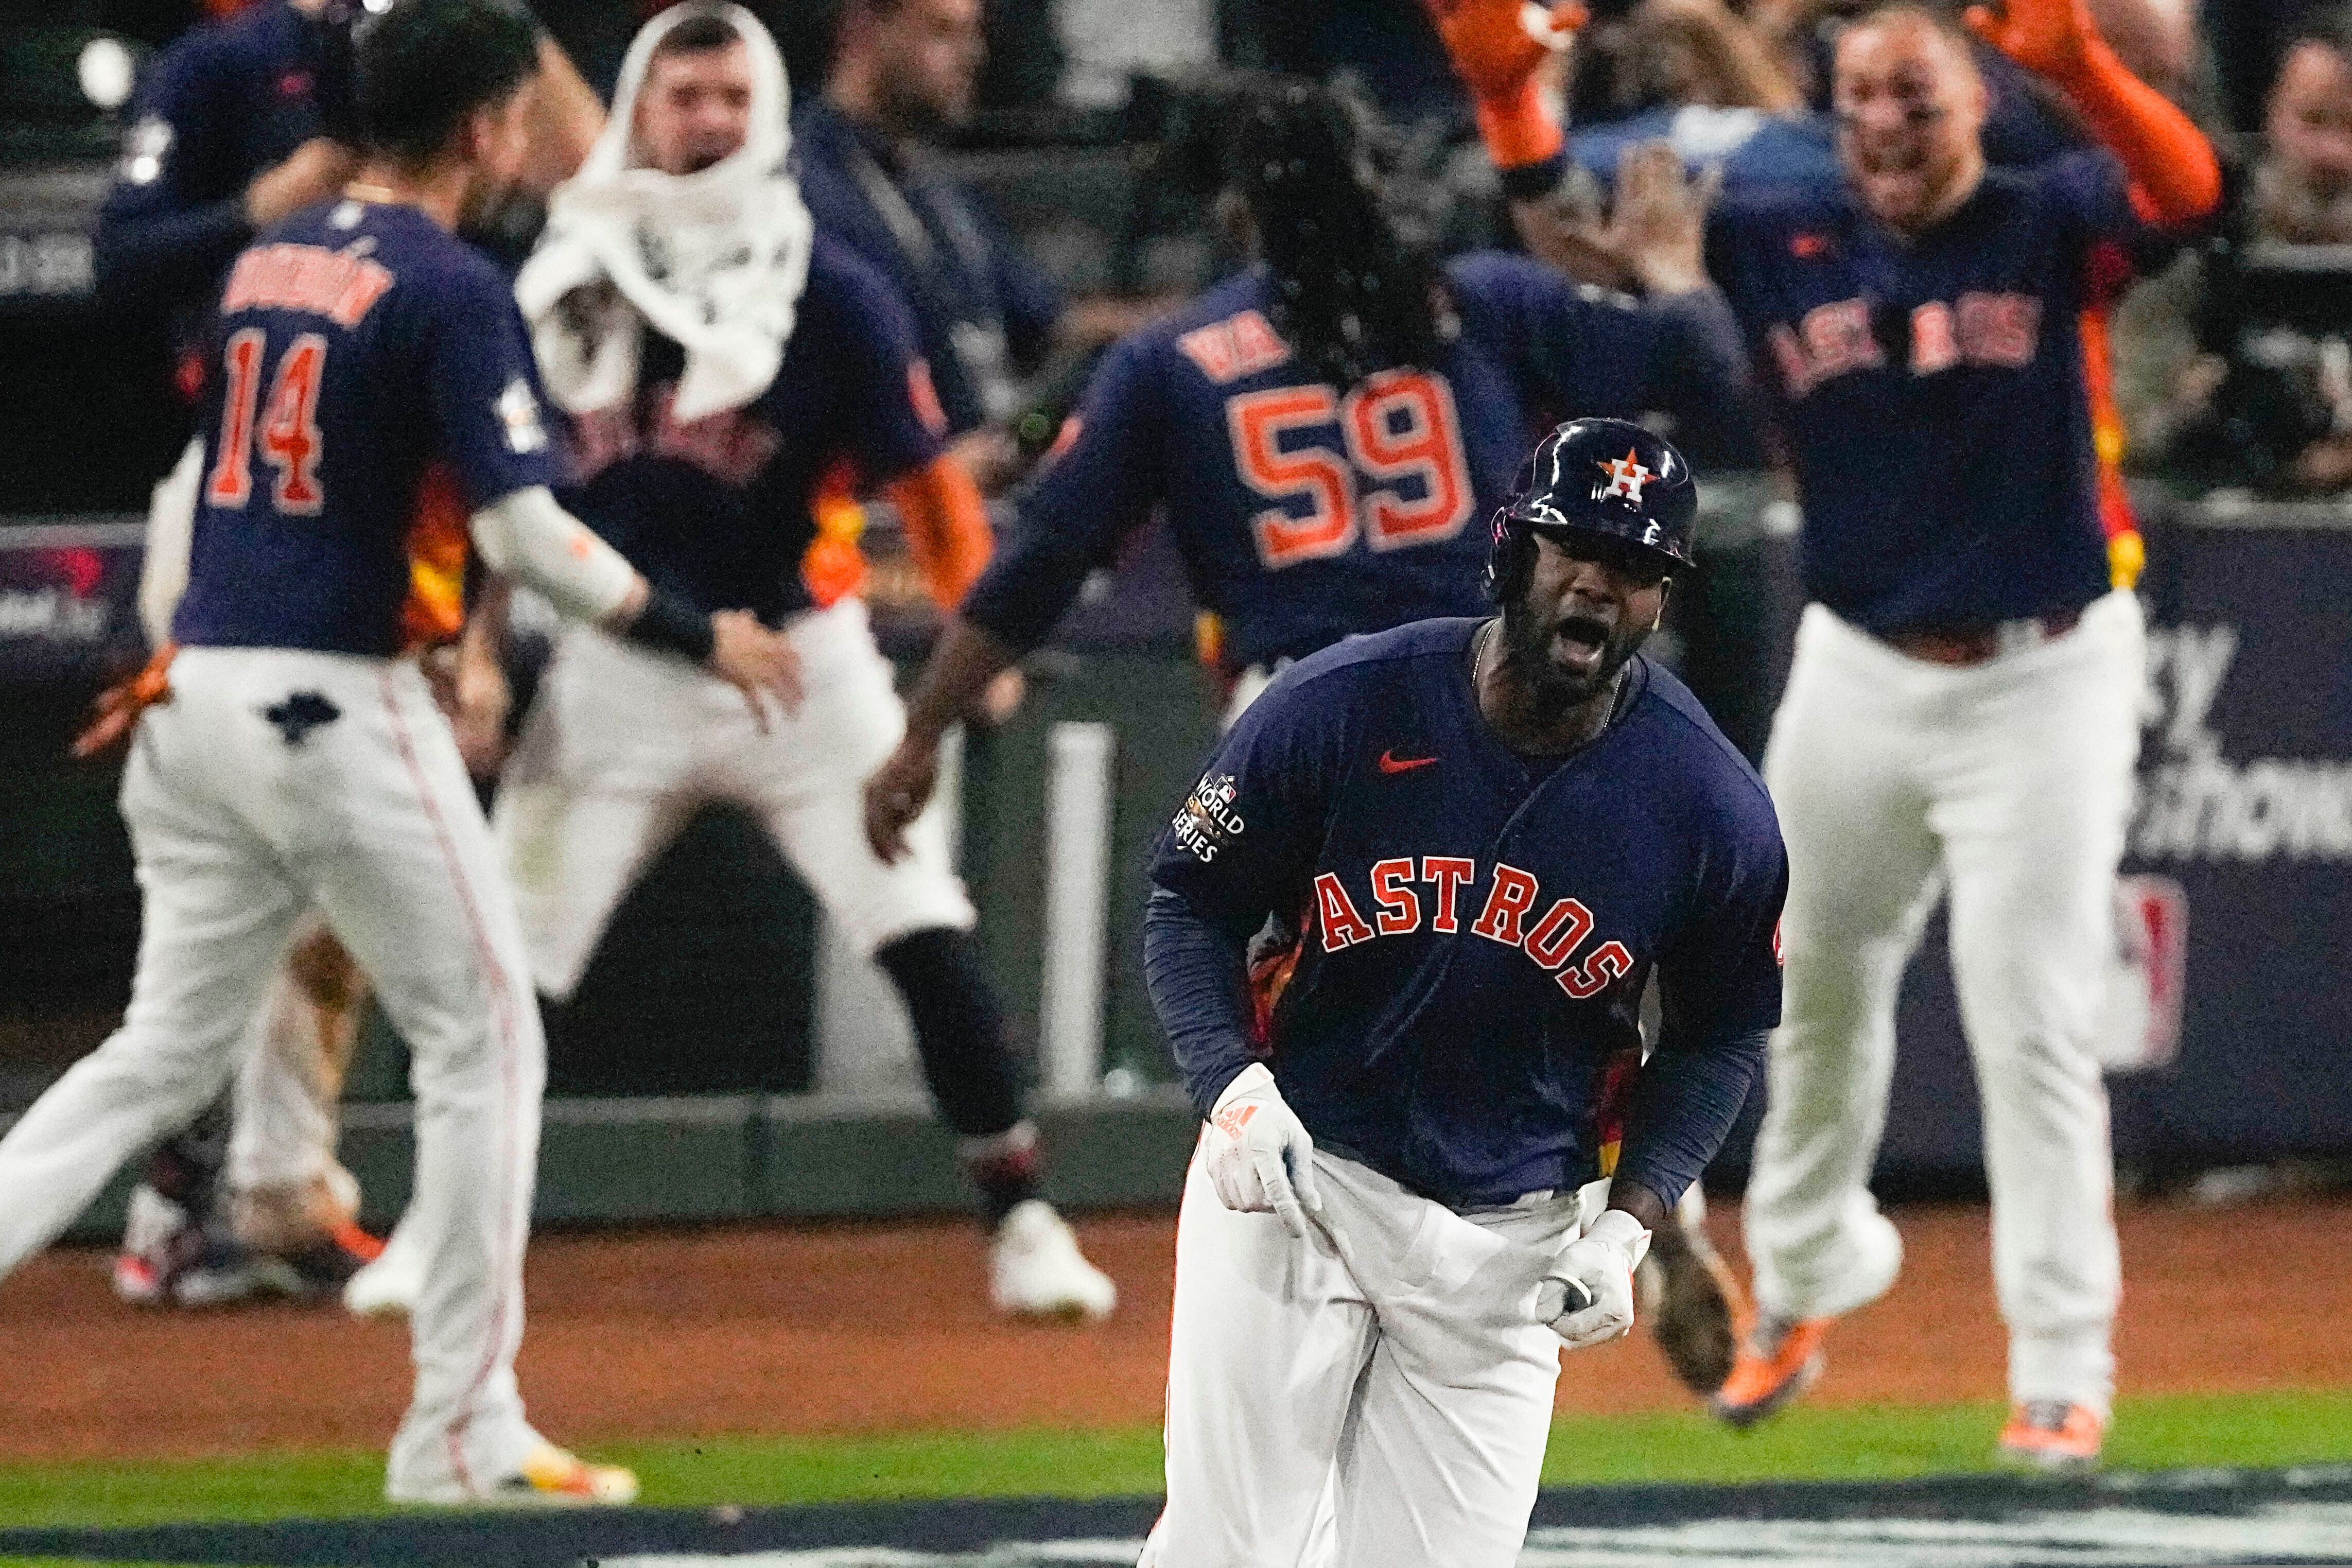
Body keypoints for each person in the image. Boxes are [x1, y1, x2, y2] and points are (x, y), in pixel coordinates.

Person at [0, 0, 799, 1503]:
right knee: (486, 1039)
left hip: (193, 703)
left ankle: (459, 1419)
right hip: (327, 706)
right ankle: (458, 1428)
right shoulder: (442, 280)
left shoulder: (270, 254)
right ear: (489, 127)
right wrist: (704, 635)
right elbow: (521, 537)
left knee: (152, 1060)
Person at [863, 74, 1757, 1390]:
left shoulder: (1172, 359)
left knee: (1322, 1052)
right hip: (1514, 697)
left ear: (1232, 210)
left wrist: (920, 731)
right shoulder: (1477, 303)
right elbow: (1710, 383)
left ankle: (1316, 1327)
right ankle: (1637, 1216)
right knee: (1556, 979)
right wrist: (1672, 279)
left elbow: (1033, 571)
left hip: (1315, 728)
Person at [1433, 0, 2220, 1466]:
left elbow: (2189, 194)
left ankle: (2061, 1364)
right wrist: (1508, 107)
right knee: (1792, 977)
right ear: (1830, 106)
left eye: (1915, 96)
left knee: (2028, 1006)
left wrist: (2085, 65)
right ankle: (1802, 1278)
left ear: (1971, 99)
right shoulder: (1781, 220)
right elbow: (1587, 254)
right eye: (1863, 97)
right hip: (1859, 656)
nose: (1889, 126)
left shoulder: (2044, 217)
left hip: (2046, 661)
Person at [493, 3, 1116, 1321]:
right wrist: (472, 648)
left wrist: (971, 633)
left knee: (920, 929)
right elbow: (490, 488)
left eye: (730, 95)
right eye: (683, 95)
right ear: (637, 110)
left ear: (764, 111)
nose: (708, 120)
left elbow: (933, 487)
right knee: (501, 968)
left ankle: (1023, 1219)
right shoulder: (562, 268)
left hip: (803, 660)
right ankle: (452, 1234)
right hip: (617, 669)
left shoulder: (825, 278)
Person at [1131, 418, 1786, 1567]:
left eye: (1633, 565)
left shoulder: (1708, 806)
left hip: (1511, 1246)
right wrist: (1232, 1086)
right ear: (1510, 552)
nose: (1595, 583)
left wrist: (1631, 1222)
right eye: (1570, 547)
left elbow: (1720, 1032)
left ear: (1661, 598)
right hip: (1301, 1179)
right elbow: (1189, 901)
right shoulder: (1343, 704)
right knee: (1229, 1553)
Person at [92, 0, 603, 1312]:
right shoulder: (230, 63)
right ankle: (179, 1192)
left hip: (392, 509)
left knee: (324, 897)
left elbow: (582, 166)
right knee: (253, 864)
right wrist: (262, 205)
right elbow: (119, 260)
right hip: (239, 505)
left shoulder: (459, 66)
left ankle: (277, 1187)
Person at [793, 0, 1064, 487]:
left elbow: (1045, 320)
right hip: (897, 503)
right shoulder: (803, 187)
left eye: (973, 35)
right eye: (943, 32)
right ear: (863, 29)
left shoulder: (937, 186)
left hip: (1001, 473)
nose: (973, 55)